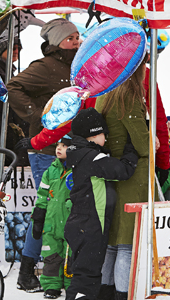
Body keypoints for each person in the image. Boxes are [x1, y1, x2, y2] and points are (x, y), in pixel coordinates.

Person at [7, 18, 79, 292]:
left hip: (70, 152)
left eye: (77, 36)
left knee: (65, 214)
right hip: (47, 152)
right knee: (47, 214)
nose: (76, 41)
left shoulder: (76, 65)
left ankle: (59, 273)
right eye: (70, 38)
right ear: (57, 42)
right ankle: (27, 273)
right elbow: (13, 87)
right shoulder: (44, 67)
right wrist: (38, 115)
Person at [64, 108, 138, 300]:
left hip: (80, 225)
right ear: (94, 135)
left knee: (85, 275)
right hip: (90, 228)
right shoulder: (93, 158)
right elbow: (123, 170)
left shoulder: (80, 155)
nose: (107, 138)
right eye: (105, 134)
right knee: (85, 280)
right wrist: (131, 149)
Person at [94, 55, 150, 300]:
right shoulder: (128, 96)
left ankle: (104, 294)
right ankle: (121, 295)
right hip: (131, 175)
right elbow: (142, 143)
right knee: (126, 244)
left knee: (110, 243)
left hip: (110, 171)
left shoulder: (105, 93)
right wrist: (153, 141)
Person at [30, 136, 72, 299]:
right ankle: (51, 286)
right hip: (51, 224)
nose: (59, 148)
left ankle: (71, 286)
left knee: (71, 257)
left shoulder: (77, 171)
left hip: (71, 224)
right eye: (57, 145)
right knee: (51, 256)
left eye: (64, 146)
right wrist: (39, 215)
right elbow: (42, 194)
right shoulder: (51, 170)